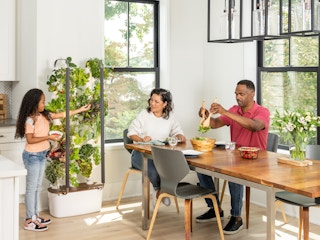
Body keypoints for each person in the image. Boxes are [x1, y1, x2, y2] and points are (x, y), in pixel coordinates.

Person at [196, 80, 270, 235]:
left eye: (241, 94)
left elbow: (254, 126)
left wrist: (225, 112)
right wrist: (207, 117)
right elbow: (215, 124)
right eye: (236, 93)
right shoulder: (234, 110)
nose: (238, 97)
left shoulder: (262, 111)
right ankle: (214, 208)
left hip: (256, 159)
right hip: (236, 156)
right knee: (201, 166)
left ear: (252, 93)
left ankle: (236, 217)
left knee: (232, 172)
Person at [15, 88, 91, 232]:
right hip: (32, 156)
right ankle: (29, 220)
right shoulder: (30, 119)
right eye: (42, 101)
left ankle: (35, 216)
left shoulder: (44, 115)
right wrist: (49, 137)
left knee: (36, 187)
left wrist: (80, 109)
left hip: (41, 154)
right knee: (32, 188)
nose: (44, 103)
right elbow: (30, 140)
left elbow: (62, 114)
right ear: (34, 102)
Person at [127, 88, 186, 207]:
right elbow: (131, 132)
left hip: (161, 155)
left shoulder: (170, 118)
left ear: (165, 104)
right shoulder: (144, 115)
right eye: (151, 100)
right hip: (140, 155)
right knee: (154, 169)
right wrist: (141, 139)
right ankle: (159, 190)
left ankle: (162, 190)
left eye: (156, 101)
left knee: (174, 167)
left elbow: (178, 132)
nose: (152, 104)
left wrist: (179, 135)